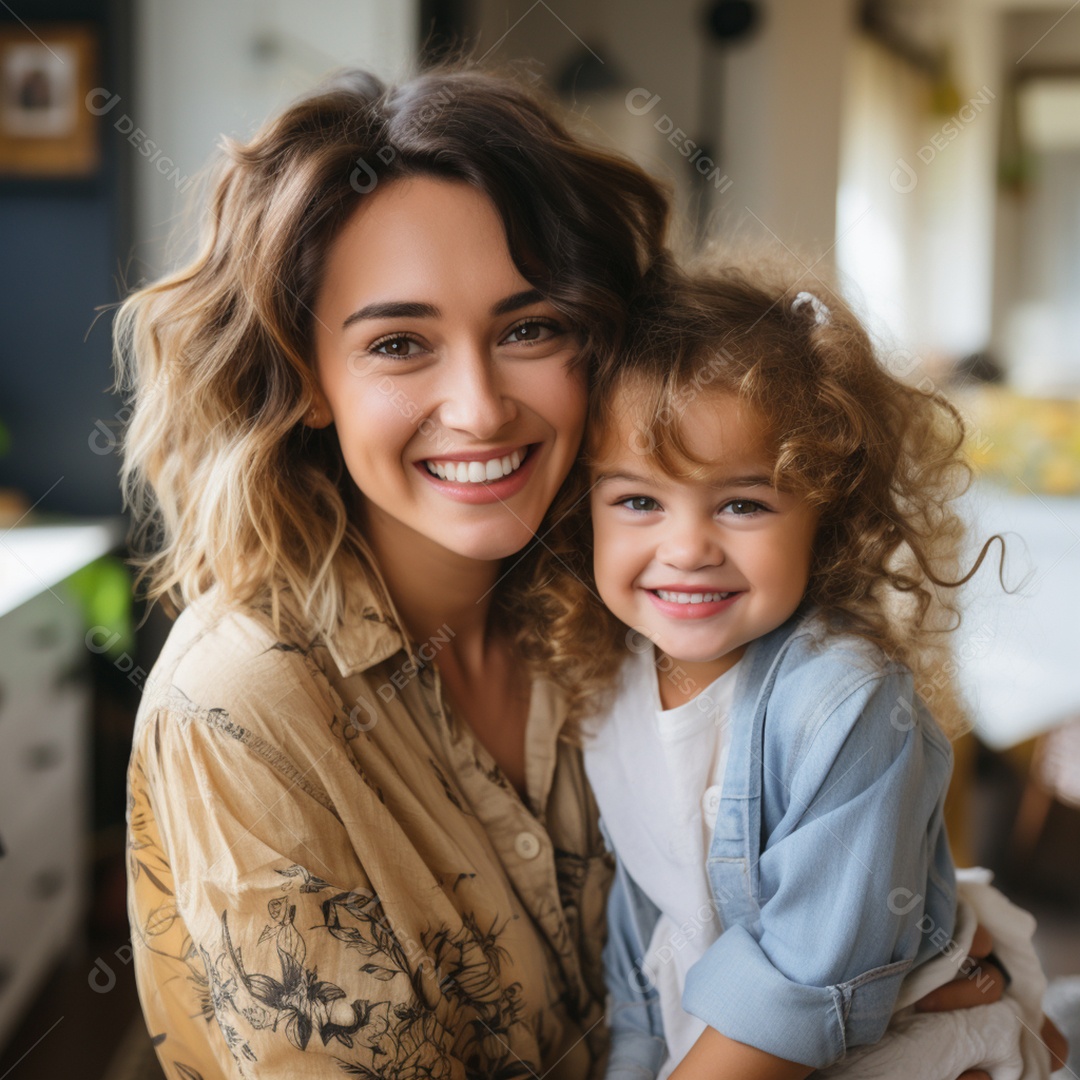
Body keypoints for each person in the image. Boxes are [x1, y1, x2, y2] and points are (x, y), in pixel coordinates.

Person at [116, 65, 1023, 1080]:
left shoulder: (628, 607)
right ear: (308, 380)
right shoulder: (241, 707)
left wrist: (933, 958)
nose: (480, 406)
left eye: (529, 329)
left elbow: (794, 871)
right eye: (401, 343)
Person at [531, 258, 1062, 1079]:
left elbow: (804, 984)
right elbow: (639, 963)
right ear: (585, 507)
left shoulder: (844, 702)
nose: (687, 548)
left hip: (895, 1048)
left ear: (828, 517)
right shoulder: (607, 693)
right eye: (638, 500)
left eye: (743, 503)